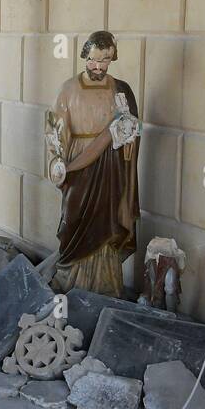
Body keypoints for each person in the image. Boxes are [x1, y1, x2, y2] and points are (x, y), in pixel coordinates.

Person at [45, 30, 140, 297]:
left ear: (112, 59)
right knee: (73, 223)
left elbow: (133, 130)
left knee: (108, 224)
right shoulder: (69, 89)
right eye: (94, 60)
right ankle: (70, 282)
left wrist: (126, 136)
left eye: (105, 61)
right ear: (85, 55)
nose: (98, 66)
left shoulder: (121, 90)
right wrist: (56, 160)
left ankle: (105, 288)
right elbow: (54, 129)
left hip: (111, 167)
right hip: (79, 165)